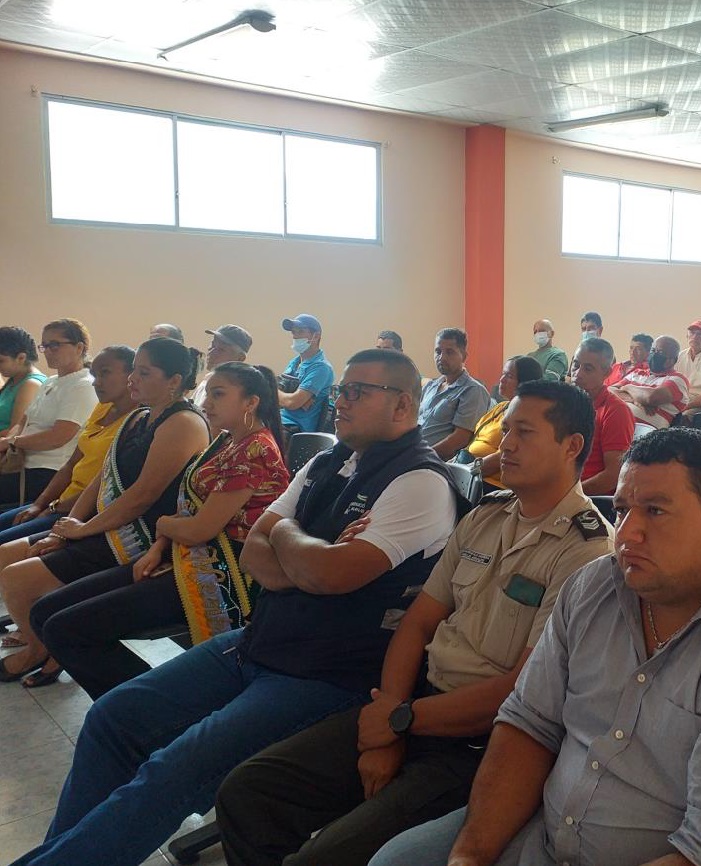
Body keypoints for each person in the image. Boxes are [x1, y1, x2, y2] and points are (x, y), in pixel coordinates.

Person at [8, 349, 458, 866]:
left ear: (402, 405)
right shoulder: (327, 462)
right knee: (113, 718)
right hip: (260, 642)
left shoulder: (420, 482)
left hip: (326, 673)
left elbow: (329, 574)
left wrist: (286, 536)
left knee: (173, 769)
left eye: (358, 391)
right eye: (342, 390)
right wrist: (302, 546)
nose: (341, 401)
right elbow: (255, 556)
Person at [366, 428, 701, 866]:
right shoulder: (594, 587)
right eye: (623, 509)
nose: (626, 534)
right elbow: (530, 724)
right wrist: (471, 855)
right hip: (546, 839)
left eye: (655, 511)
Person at [215, 381, 614, 866]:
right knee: (249, 792)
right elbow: (418, 623)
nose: (506, 444)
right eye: (506, 429)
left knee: (325, 857)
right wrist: (393, 715)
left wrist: (397, 722)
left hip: (478, 745)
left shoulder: (587, 552)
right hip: (414, 706)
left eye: (524, 433)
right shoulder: (485, 517)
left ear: (572, 446)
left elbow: (521, 690)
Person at [32, 363, 290, 699]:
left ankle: (147, 707)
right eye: (209, 393)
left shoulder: (257, 450)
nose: (207, 402)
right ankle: (142, 702)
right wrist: (158, 547)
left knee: (65, 629)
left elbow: (199, 529)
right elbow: (188, 507)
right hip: (182, 556)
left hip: (222, 574)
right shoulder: (227, 441)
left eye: (218, 394)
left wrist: (162, 524)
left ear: (250, 402)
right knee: (45, 612)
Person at [0, 338, 209, 685]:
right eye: (134, 370)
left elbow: (142, 496)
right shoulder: (139, 417)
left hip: (138, 538)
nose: (132, 379)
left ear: (174, 381)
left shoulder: (184, 423)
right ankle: (43, 648)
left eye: (144, 373)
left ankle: (41, 651)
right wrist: (67, 527)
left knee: (19, 579)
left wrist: (83, 530)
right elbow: (101, 479)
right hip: (104, 525)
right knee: (9, 559)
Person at [0, 346, 135, 544]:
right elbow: (71, 464)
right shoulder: (103, 407)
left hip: (83, 510)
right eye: (95, 374)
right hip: (61, 499)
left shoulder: (136, 421)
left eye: (105, 373)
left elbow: (103, 487)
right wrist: (39, 504)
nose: (96, 382)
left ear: (132, 375)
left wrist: (53, 508)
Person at [0, 320, 98, 506]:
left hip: (47, 471)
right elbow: (23, 422)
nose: (48, 351)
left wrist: (12, 442)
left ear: (79, 347)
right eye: (44, 346)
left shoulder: (83, 385)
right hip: (20, 463)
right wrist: (7, 445)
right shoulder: (50, 381)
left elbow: (58, 437)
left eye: (55, 345)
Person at [463, 355, 543, 489]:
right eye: (503, 374)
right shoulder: (500, 407)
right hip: (469, 469)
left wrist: (467, 471)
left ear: (525, 382)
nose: (502, 380)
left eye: (509, 376)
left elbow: (503, 456)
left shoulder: (527, 417)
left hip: (489, 482)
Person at [571, 337, 634, 495]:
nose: (578, 374)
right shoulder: (565, 403)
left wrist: (568, 495)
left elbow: (613, 475)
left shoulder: (616, 411)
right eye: (576, 365)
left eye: (588, 369)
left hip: (588, 498)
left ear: (606, 373)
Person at [419, 328, 492, 459]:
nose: (442, 357)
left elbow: (460, 439)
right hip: (412, 453)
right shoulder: (430, 386)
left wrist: (421, 457)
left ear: (464, 356)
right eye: (438, 351)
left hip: (434, 462)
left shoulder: (472, 390)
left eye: (450, 352)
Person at [609, 335, 690, 429]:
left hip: (644, 433)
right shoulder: (637, 373)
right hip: (614, 422)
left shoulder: (677, 379)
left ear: (673, 360)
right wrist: (634, 399)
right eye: (653, 350)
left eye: (660, 352)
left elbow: (651, 398)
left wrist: (627, 387)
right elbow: (609, 390)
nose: (654, 354)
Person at [278, 313, 334, 434]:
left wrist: (270, 390)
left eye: (301, 331)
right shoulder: (295, 363)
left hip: (296, 427)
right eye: (294, 332)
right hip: (281, 418)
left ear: (316, 336)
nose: (296, 336)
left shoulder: (321, 368)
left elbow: (292, 402)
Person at [0, 327, 46, 437]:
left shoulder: (31, 384)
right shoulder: (14, 379)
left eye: (1, 361)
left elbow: (14, 432)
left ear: (21, 358)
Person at [192, 324, 252, 407]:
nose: (212, 352)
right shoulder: (206, 381)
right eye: (212, 345)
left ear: (240, 358)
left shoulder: (236, 392)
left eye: (221, 349)